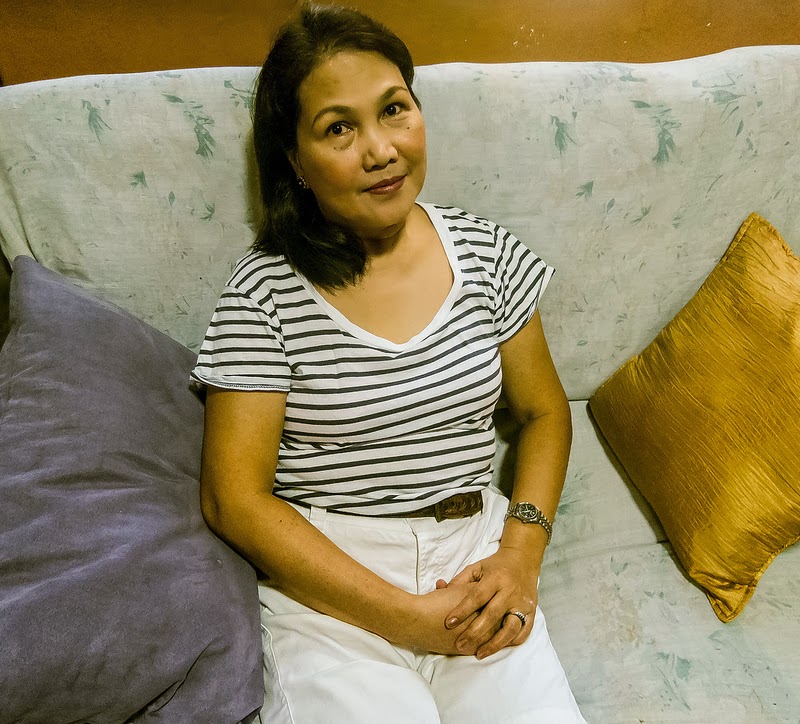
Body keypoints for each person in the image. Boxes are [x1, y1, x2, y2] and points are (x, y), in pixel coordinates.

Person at [191, 3, 586, 722]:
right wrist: (403, 617)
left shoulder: (488, 254)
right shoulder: (263, 292)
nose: (381, 150)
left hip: (477, 562)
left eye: (394, 109)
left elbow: (544, 412)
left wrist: (521, 553)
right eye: (338, 128)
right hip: (332, 591)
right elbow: (233, 499)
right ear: (294, 161)